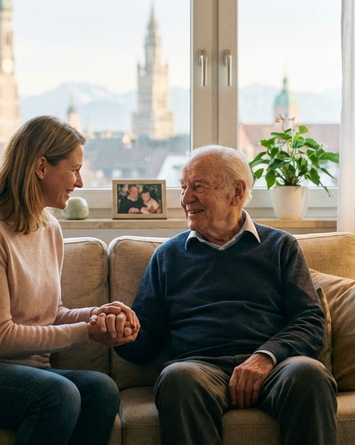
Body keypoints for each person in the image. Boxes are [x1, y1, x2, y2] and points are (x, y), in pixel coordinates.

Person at [0, 115, 140, 445]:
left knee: (102, 389)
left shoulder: (49, 227)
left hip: (25, 372)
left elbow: (49, 315)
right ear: (41, 167)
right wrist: (87, 332)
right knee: (58, 395)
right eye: (74, 169)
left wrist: (99, 315)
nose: (80, 182)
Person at [111, 145, 337, 445]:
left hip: (274, 367)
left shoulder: (280, 247)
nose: (185, 198)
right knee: (177, 378)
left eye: (198, 187)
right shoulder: (168, 256)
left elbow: (310, 320)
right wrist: (122, 335)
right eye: (184, 187)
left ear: (237, 192)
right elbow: (147, 340)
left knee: (310, 374)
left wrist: (266, 357)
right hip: (200, 369)